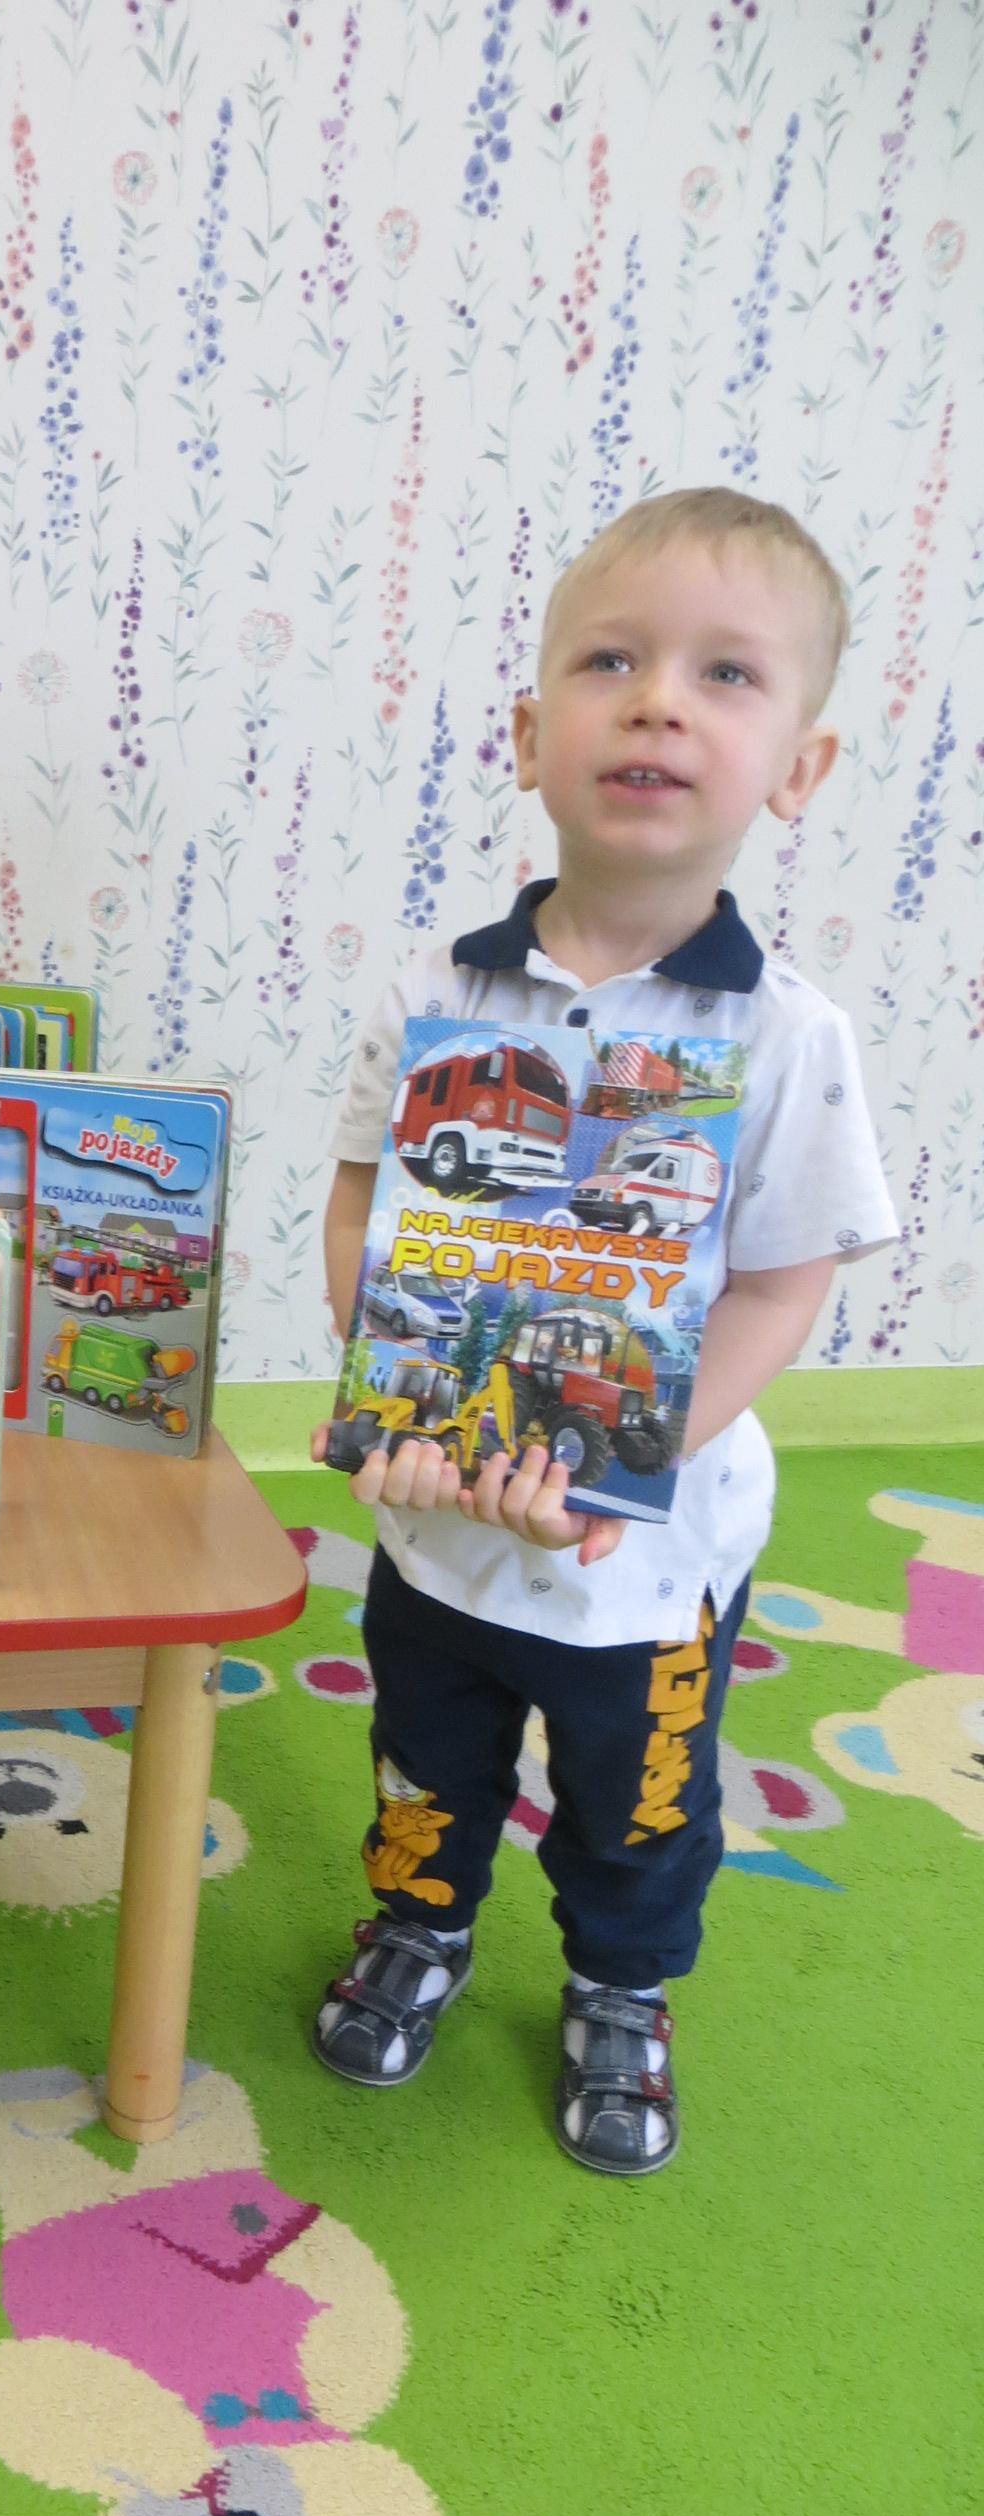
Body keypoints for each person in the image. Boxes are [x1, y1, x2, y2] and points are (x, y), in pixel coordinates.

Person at [309, 488, 898, 2177]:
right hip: (439, 1519)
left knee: (641, 1797)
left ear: (796, 767)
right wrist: (394, 1393)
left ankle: (623, 1986)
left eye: (726, 675)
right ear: (528, 736)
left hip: (646, 1558)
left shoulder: (789, 1039)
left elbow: (783, 1284)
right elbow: (360, 1202)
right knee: (425, 1759)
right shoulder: (438, 991)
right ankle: (420, 1925)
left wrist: (635, 1458)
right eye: (611, 662)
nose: (657, 705)